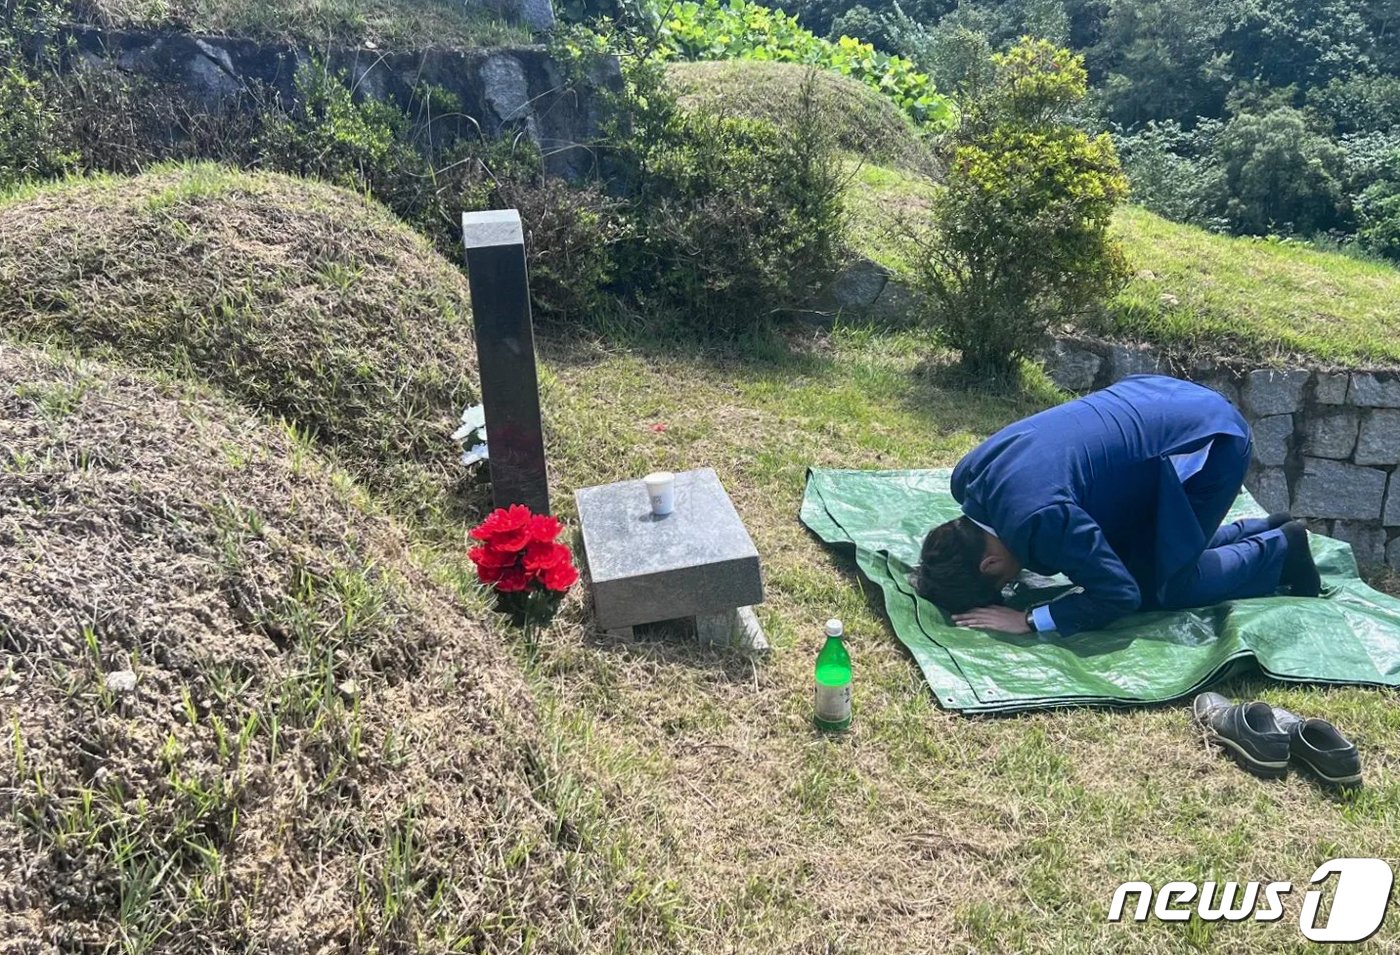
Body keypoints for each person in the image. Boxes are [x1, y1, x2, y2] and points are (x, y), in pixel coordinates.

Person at [912, 375, 1322, 636]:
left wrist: (1029, 619)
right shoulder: (969, 476)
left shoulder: (1040, 517)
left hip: (1206, 438)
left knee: (1158, 585)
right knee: (1139, 554)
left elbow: (1118, 595)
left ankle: (1282, 551)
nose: (1011, 586)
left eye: (1001, 587)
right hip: (1156, 397)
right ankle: (1263, 527)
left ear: (989, 565)